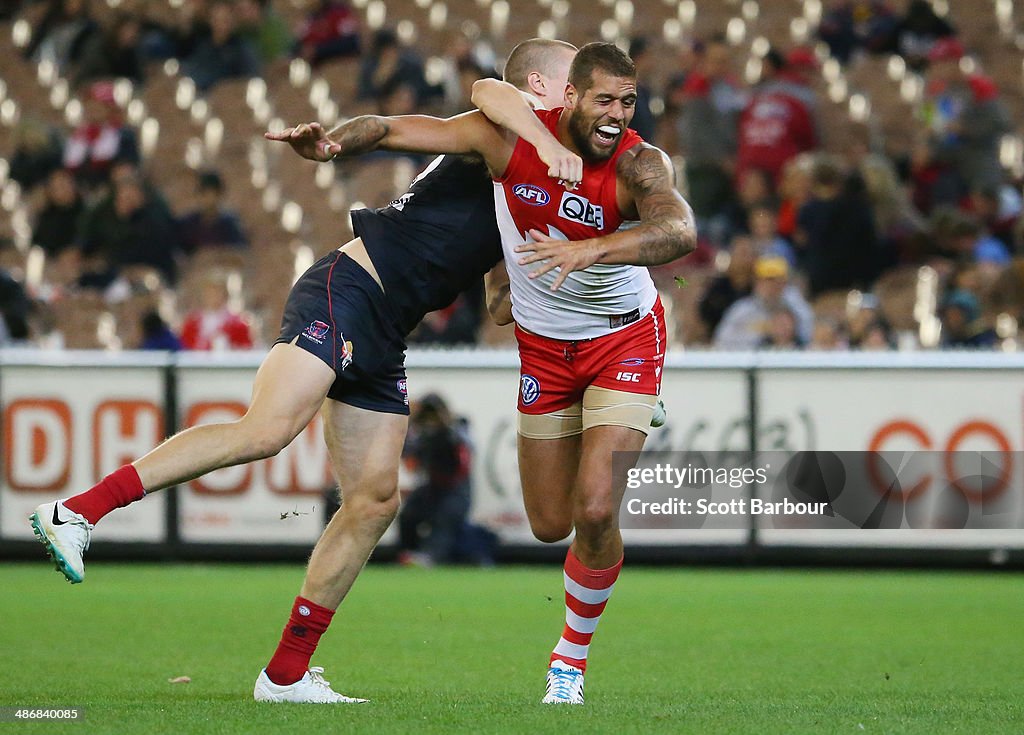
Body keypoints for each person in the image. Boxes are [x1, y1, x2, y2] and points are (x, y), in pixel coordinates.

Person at [29, 37, 583, 705]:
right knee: (266, 430)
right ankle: (77, 511)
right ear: (541, 88)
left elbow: (498, 301)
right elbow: (422, 114)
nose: (585, 95)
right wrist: (332, 146)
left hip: (385, 332)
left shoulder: (538, 186)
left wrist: (567, 273)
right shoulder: (499, 126)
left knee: (376, 499)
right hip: (347, 288)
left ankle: (285, 674)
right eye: (573, 81)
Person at [343, 41, 695, 703]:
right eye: (604, 101)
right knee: (548, 522)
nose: (618, 114)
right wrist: (335, 142)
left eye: (628, 101)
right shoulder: (514, 142)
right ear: (569, 99)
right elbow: (420, 120)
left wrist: (591, 249)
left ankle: (569, 659)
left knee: (595, 508)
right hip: (544, 351)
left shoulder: (639, 162)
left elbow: (678, 230)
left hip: (624, 342)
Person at [397, 393, 473, 566]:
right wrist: (412, 422)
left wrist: (445, 424)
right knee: (408, 514)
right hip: (432, 488)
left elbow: (463, 449)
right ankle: (408, 554)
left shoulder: (457, 428)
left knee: (445, 518)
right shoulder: (420, 434)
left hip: (456, 490)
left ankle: (430, 557)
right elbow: (407, 456)